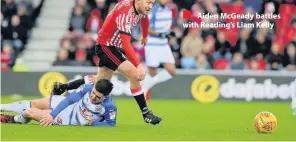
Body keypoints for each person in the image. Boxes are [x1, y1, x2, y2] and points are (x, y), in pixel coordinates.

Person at [52, 0, 162, 125]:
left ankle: (64, 87)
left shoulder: (140, 7)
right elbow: (126, 44)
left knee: (99, 81)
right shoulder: (125, 13)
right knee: (134, 74)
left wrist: (145, 34)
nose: (151, 6)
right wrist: (139, 65)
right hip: (107, 46)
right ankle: (146, 113)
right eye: (149, 2)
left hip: (110, 46)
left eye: (152, 3)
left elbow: (144, 18)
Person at [1, 79, 117, 127]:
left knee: (28, 112)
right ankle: (2, 107)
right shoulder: (88, 87)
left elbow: (111, 124)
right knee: (35, 103)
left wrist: (93, 123)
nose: (93, 97)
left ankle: (14, 119)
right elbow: (69, 100)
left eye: (97, 97)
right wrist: (52, 115)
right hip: (66, 105)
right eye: (93, 93)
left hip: (68, 119)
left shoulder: (109, 106)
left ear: (105, 96)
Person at [141, 0, 176, 100]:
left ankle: (145, 86)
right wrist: (158, 34)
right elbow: (145, 27)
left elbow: (166, 27)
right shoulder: (152, 9)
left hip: (164, 44)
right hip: (153, 44)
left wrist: (170, 33)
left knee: (171, 71)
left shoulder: (169, 10)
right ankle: (145, 96)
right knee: (152, 72)